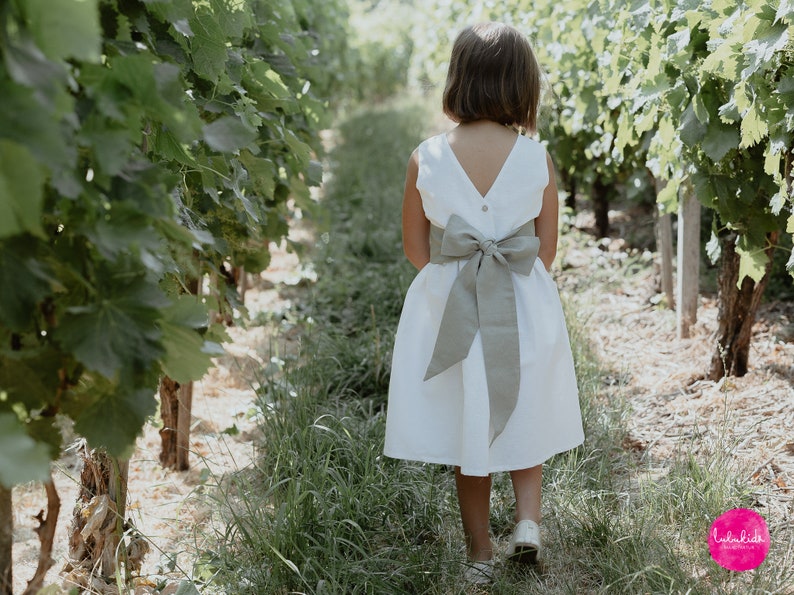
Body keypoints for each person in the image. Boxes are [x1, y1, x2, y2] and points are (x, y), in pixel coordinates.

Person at [383, 22, 585, 584]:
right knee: (524, 410)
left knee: (467, 423)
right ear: (524, 86)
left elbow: (415, 249)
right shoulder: (536, 157)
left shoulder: (426, 157)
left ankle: (478, 553)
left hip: (453, 307)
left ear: (458, 80)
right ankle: (527, 522)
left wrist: (460, 277)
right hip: (523, 305)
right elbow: (544, 251)